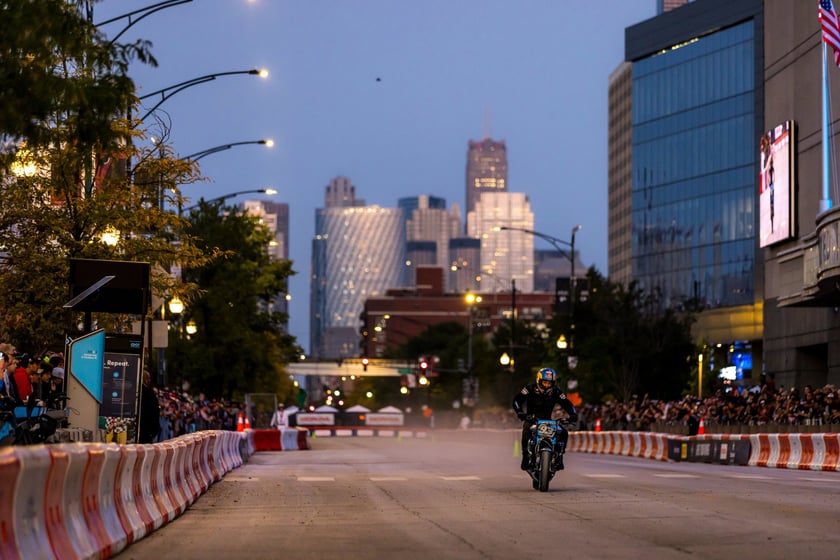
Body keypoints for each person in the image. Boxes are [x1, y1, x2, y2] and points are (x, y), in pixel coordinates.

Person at [512, 367, 577, 471]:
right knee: (526, 432)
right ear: (539, 380)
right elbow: (517, 400)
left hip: (548, 421)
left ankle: (559, 457)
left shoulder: (556, 392)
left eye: (549, 383)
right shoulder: (529, 389)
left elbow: (568, 404)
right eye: (545, 382)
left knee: (563, 432)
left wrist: (573, 414)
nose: (547, 385)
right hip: (531, 420)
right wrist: (520, 412)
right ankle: (525, 457)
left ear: (553, 383)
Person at [139, 369, 161, 443]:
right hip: (147, 430)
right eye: (148, 378)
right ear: (146, 379)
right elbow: (154, 412)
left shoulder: (136, 391)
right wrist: (154, 429)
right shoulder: (149, 394)